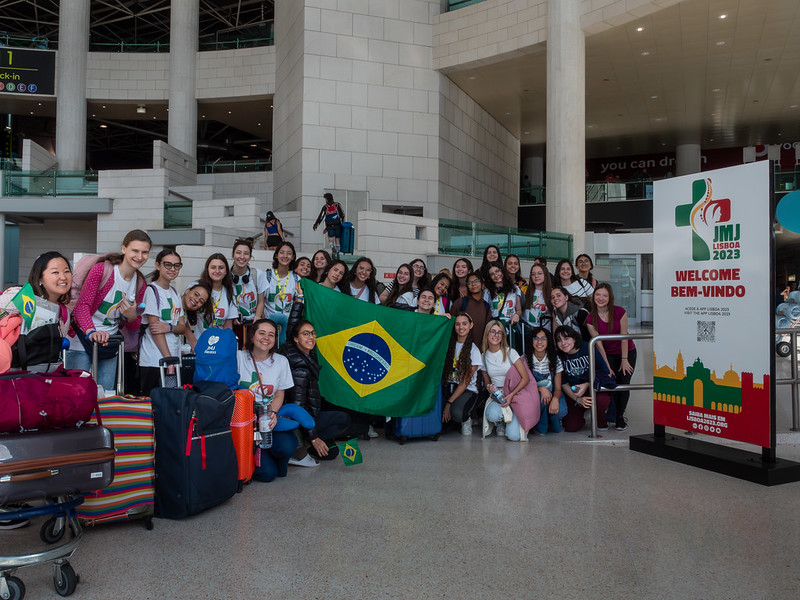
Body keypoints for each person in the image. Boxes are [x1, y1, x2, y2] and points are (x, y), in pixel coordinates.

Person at [69, 229, 151, 392]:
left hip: (110, 342)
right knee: (77, 392)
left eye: (145, 252)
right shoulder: (102, 269)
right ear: (124, 249)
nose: (139, 256)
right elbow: (82, 306)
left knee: (106, 394)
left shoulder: (140, 282)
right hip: (82, 337)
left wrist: (131, 317)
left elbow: (133, 326)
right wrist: (91, 332)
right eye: (135, 250)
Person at [280, 307, 351, 467]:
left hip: (312, 411)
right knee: (344, 420)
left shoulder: (300, 351)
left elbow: (293, 327)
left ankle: (309, 444)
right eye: (306, 334)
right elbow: (297, 409)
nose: (311, 337)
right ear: (296, 339)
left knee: (331, 453)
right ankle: (303, 443)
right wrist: (313, 437)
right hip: (302, 421)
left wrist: (298, 300)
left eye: (313, 333)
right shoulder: (300, 370)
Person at [237, 319, 298, 482]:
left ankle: (270, 453)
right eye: (261, 333)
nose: (266, 338)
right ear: (252, 336)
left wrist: (273, 413)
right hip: (245, 420)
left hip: (265, 417)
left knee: (287, 446)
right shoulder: (238, 358)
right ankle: (261, 456)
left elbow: (279, 393)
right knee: (267, 475)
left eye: (271, 335)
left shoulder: (281, 361)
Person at [585, 283, 636, 431]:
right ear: (593, 296)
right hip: (607, 353)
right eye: (598, 295)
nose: (601, 298)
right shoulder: (590, 318)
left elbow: (624, 337)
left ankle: (620, 417)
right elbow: (598, 343)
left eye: (604, 295)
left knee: (624, 382)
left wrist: (624, 360)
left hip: (626, 351)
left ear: (610, 298)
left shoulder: (620, 312)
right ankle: (610, 415)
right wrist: (606, 364)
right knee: (610, 382)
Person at [138, 249, 186, 396]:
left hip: (173, 358)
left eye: (176, 265)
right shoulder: (152, 291)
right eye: (168, 265)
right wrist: (168, 359)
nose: (172, 269)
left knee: (169, 402)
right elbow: (155, 329)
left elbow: (182, 327)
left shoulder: (175, 292)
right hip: (155, 360)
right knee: (152, 402)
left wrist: (169, 327)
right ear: (158, 265)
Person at [16, 251, 73, 373]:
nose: (63, 277)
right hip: (12, 373)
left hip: (42, 376)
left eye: (67, 271)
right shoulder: (20, 297)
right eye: (55, 272)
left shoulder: (64, 313)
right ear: (40, 277)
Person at [554, 326, 613, 433]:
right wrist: (578, 400)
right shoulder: (559, 356)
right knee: (571, 426)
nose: (563, 343)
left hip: (593, 387)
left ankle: (601, 419)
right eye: (559, 340)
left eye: (566, 338)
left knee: (600, 401)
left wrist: (587, 384)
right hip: (574, 392)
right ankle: (582, 413)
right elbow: (563, 383)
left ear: (574, 338)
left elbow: (604, 370)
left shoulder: (587, 347)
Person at [480, 320, 532, 441]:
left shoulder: (510, 352)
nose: (496, 335)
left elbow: (526, 378)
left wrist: (512, 395)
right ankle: (501, 422)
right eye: (492, 331)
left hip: (516, 394)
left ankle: (515, 418)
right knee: (491, 414)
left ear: (503, 336)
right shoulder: (483, 356)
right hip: (499, 395)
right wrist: (489, 388)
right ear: (487, 334)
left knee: (514, 437)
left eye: (499, 332)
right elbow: (487, 382)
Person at [442, 313, 482, 435]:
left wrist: (449, 403)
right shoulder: (448, 344)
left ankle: (465, 419)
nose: (461, 327)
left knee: (457, 413)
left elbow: (465, 382)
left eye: (464, 324)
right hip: (449, 386)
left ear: (471, 325)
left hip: (467, 390)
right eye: (457, 324)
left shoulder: (474, 351)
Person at [526, 327, 565, 435]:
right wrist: (540, 388)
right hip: (534, 395)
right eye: (536, 338)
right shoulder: (525, 359)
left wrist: (555, 399)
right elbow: (524, 385)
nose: (539, 342)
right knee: (542, 400)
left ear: (548, 341)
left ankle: (553, 421)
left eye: (543, 339)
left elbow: (557, 388)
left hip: (552, 394)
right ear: (531, 340)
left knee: (561, 410)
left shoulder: (555, 359)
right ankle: (540, 427)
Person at [190, 253, 237, 340]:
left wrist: (227, 344)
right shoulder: (196, 287)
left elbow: (228, 325)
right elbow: (183, 316)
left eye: (221, 268)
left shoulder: (229, 293)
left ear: (226, 271)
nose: (217, 271)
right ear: (207, 269)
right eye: (213, 267)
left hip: (218, 346)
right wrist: (193, 342)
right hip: (199, 343)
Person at [263, 241, 301, 346]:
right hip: (268, 324)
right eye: (282, 252)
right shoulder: (266, 276)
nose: (285, 256)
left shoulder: (296, 278)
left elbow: (299, 302)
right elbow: (260, 302)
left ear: (293, 256)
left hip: (288, 326)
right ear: (276, 255)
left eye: (289, 253)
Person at [230, 238, 265, 335]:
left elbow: (261, 301)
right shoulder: (226, 276)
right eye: (238, 253)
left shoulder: (258, 274)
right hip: (233, 324)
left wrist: (257, 316)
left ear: (250, 257)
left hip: (253, 323)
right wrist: (232, 316)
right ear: (233, 255)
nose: (242, 257)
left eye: (246, 253)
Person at [454, 270, 491, 350]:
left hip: (479, 352)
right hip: (460, 350)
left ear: (482, 283)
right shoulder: (460, 303)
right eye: (470, 283)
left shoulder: (486, 306)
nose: (473, 284)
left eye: (476, 281)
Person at [484, 262, 521, 326]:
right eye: (492, 274)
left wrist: (517, 315)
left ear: (502, 271)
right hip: (495, 325)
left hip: (510, 325)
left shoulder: (515, 289)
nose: (496, 275)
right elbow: (485, 311)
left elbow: (519, 310)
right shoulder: (487, 292)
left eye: (497, 271)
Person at [312, 192, 345, 258]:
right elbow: (342, 214)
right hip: (338, 225)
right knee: (337, 239)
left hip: (329, 226)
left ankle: (333, 247)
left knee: (331, 239)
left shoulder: (325, 207)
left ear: (327, 199)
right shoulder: (337, 205)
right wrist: (342, 223)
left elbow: (321, 217)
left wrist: (316, 224)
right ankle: (338, 252)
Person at [180, 282, 211, 349]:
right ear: (187, 291)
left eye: (201, 301)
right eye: (196, 294)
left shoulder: (184, 314)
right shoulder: (172, 303)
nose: (197, 300)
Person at [523, 263, 552, 329]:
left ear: (545, 275)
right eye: (533, 274)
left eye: (540, 273)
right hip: (527, 329)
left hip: (546, 329)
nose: (536, 276)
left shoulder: (552, 292)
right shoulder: (524, 290)